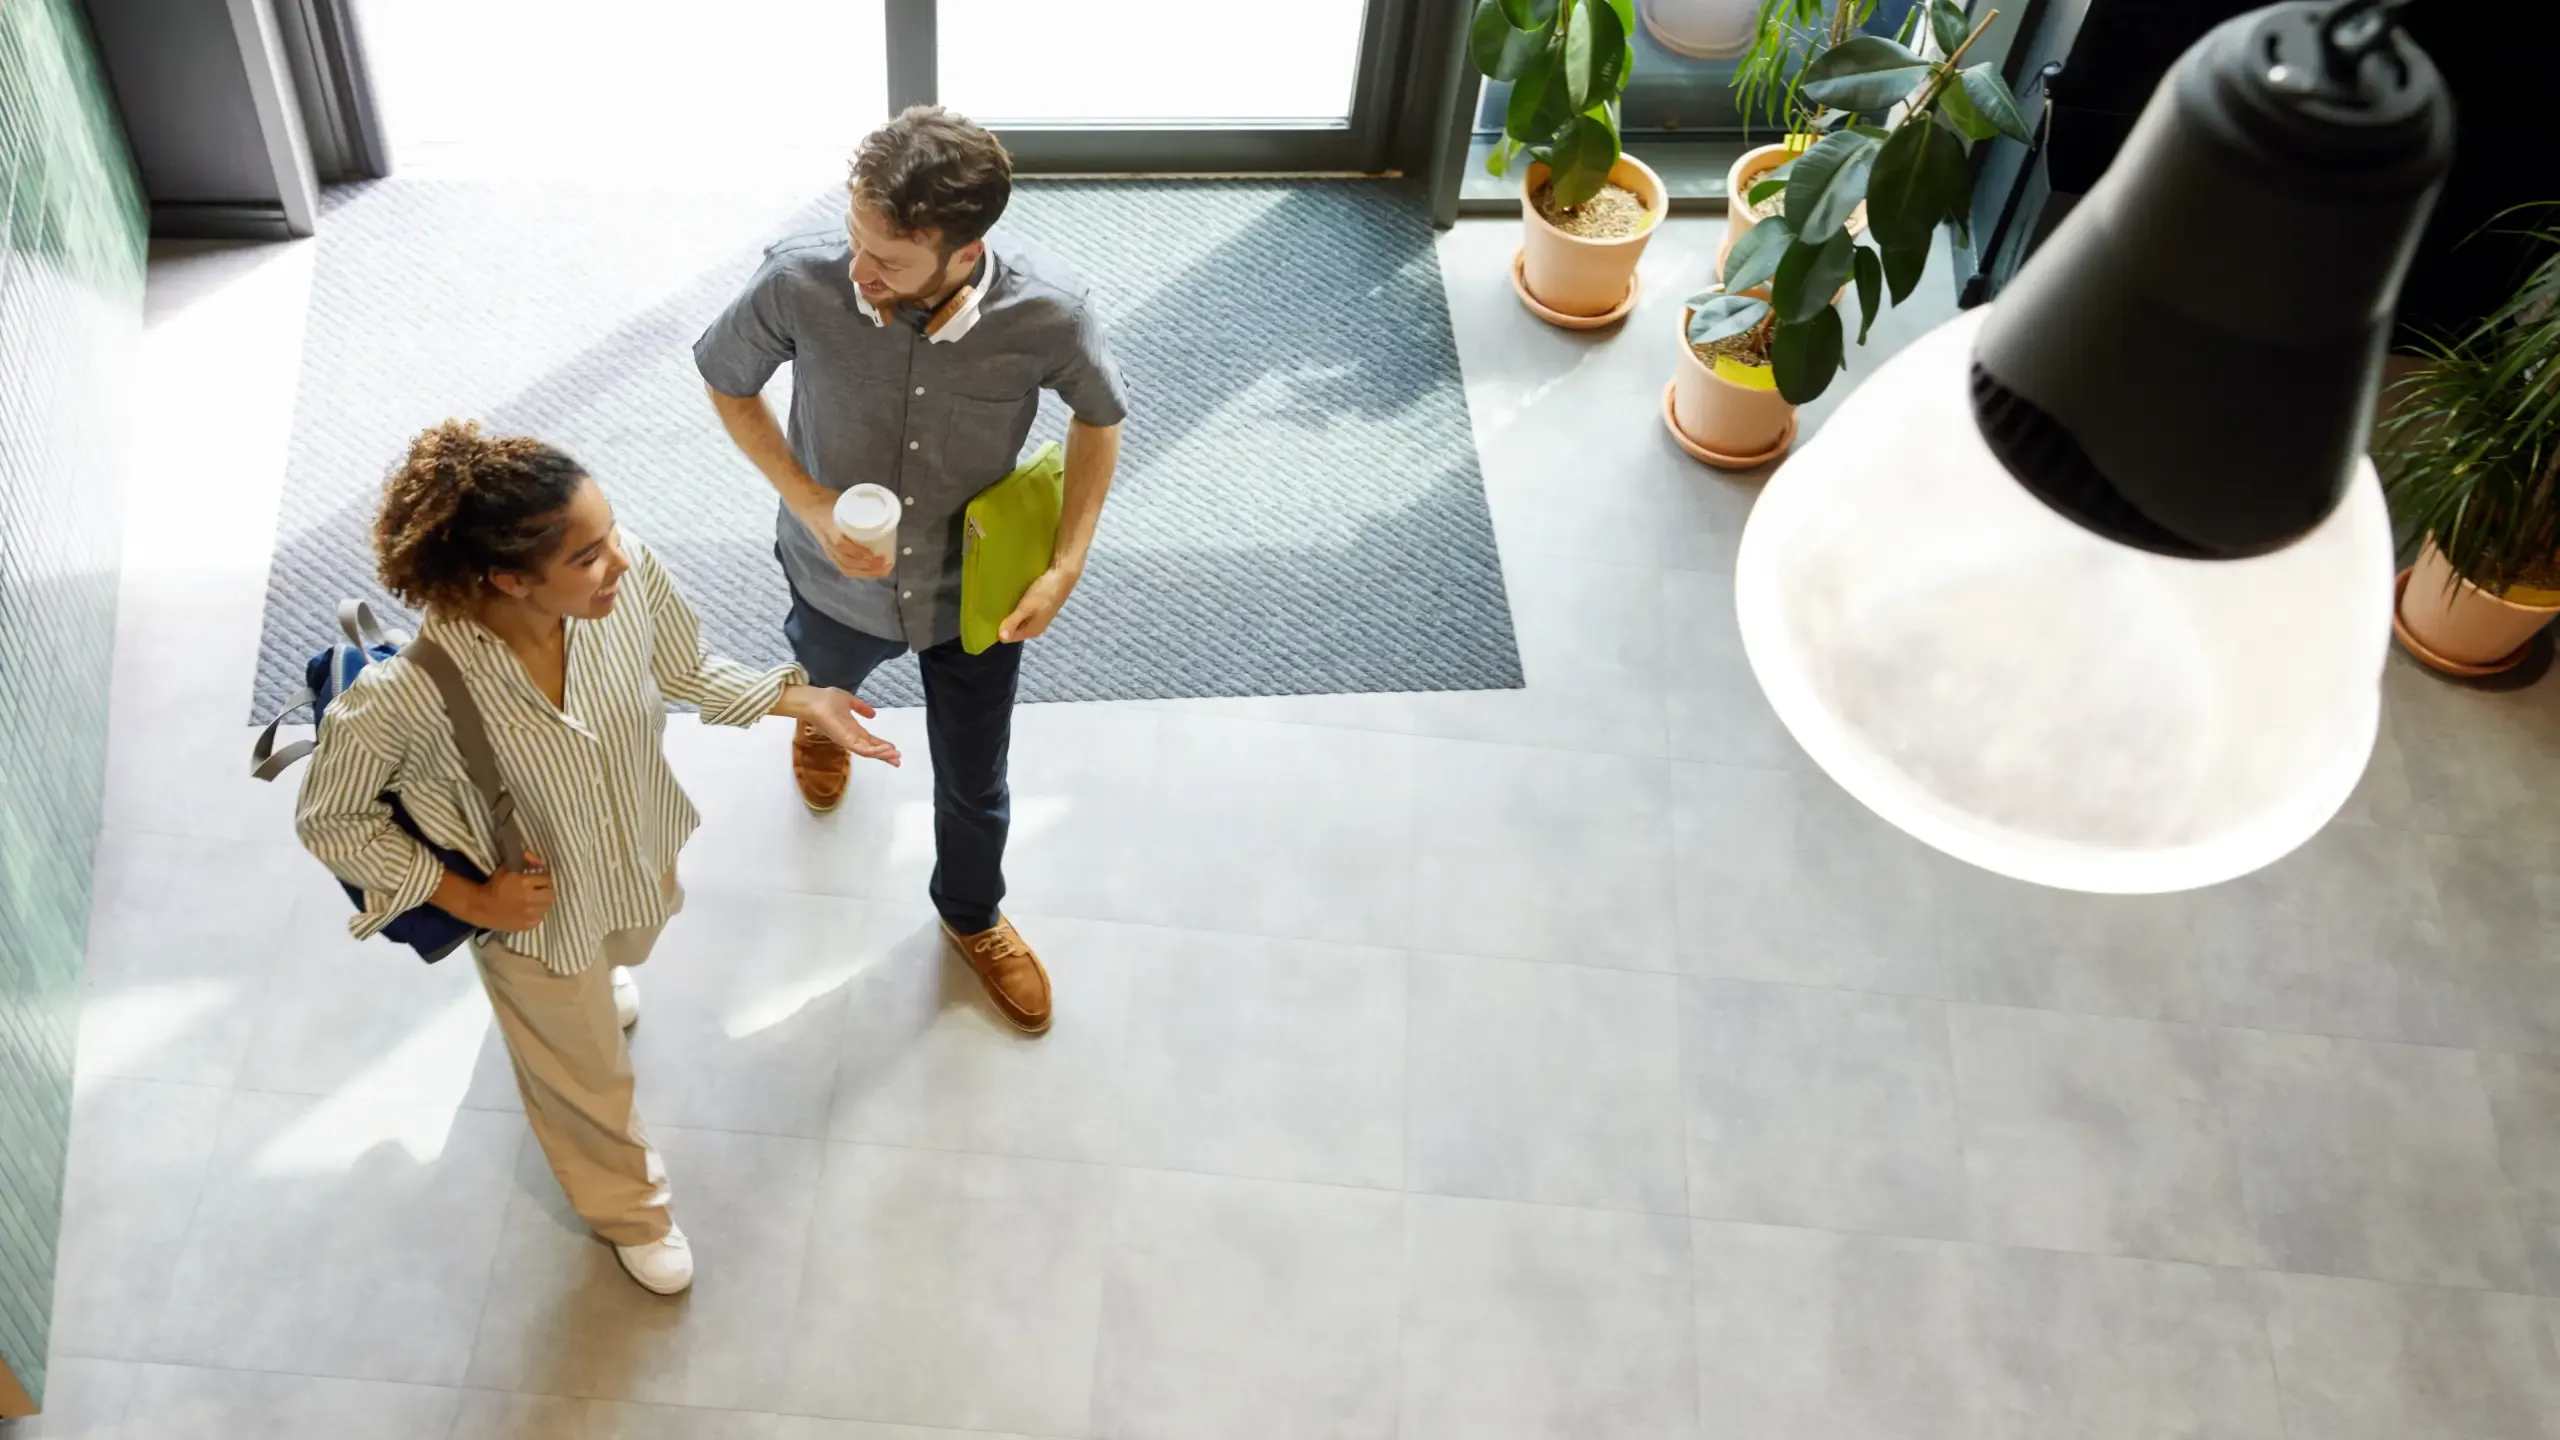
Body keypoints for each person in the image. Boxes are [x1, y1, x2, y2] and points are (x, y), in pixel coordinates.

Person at [295, 420, 893, 1295]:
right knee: (585, 1084)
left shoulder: (629, 578)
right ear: (507, 578)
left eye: (610, 533)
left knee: (629, 946)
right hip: (527, 921)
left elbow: (685, 671)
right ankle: (631, 1214)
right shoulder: (407, 696)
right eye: (588, 555)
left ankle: (597, 979)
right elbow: (333, 820)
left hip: (636, 857)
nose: (618, 559)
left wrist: (801, 702)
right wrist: (467, 898)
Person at [696, 105, 1127, 1036]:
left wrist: (1066, 564)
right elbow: (728, 381)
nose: (859, 270)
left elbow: (1102, 418)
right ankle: (819, 719)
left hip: (974, 597)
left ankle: (972, 915)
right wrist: (810, 504)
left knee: (976, 775)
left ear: (964, 252)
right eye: (856, 240)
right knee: (823, 678)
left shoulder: (1052, 314)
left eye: (887, 259)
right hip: (832, 576)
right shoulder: (797, 282)